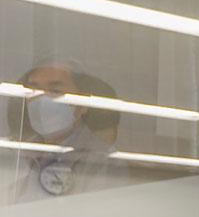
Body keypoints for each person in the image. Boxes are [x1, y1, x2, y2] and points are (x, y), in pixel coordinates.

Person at [3, 59, 126, 202]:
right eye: (33, 91)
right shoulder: (17, 151)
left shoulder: (105, 162)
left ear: (82, 104)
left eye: (55, 91)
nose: (41, 100)